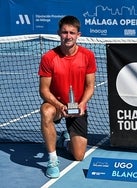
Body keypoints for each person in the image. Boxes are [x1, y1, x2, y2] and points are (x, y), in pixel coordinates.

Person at [38, 15, 97, 178]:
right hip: (56, 105)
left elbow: (90, 86)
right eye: (65, 32)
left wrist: (83, 104)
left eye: (72, 32)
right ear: (59, 33)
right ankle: (52, 159)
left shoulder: (88, 56)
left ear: (79, 34)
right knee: (46, 112)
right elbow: (44, 90)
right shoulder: (49, 57)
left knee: (78, 156)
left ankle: (64, 140)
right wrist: (59, 105)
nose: (68, 36)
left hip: (78, 107)